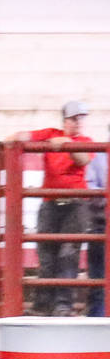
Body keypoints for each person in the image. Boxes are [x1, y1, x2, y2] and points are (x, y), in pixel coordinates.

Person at [9, 100, 92, 317]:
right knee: (46, 255)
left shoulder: (84, 141)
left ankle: (62, 306)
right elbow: (24, 136)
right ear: (65, 120)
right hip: (51, 204)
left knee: (67, 255)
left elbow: (83, 159)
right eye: (74, 119)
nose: (78, 123)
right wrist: (12, 140)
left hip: (75, 205)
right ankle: (43, 305)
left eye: (80, 119)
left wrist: (64, 142)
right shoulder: (49, 133)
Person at [85, 125, 107, 317]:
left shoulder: (98, 156)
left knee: (99, 277)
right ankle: (98, 321)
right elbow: (90, 190)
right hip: (102, 224)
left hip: (101, 222)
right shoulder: (98, 156)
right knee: (99, 279)